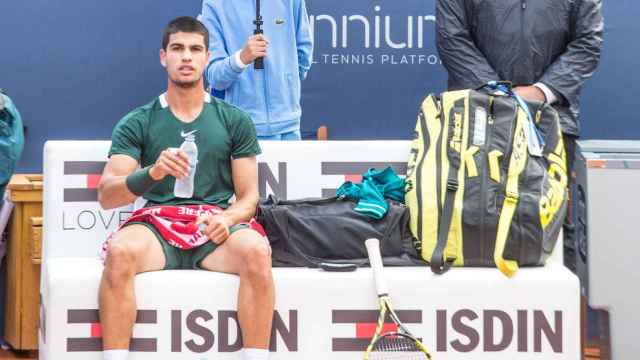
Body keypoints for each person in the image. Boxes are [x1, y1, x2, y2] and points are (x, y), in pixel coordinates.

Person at [97, 17, 274, 360]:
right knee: (119, 253)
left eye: (195, 49)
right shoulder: (139, 120)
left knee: (256, 251)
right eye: (178, 49)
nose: (187, 57)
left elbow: (249, 197)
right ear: (163, 57)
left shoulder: (234, 119)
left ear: (207, 58)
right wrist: (154, 171)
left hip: (214, 227)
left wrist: (228, 218)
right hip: (156, 225)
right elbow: (107, 194)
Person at [436, 0, 604, 270]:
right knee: (471, 219)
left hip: (550, 122)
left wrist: (539, 93)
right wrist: (499, 94)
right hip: (478, 119)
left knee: (553, 230)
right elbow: (452, 38)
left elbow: (587, 43)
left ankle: (559, 310)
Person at [200, 0, 313, 140]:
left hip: (288, 129)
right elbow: (215, 76)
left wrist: (286, 85)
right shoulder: (214, 4)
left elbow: (303, 51)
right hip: (240, 131)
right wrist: (241, 59)